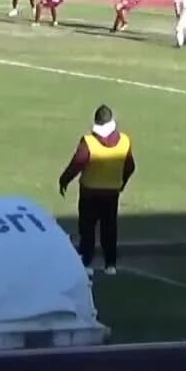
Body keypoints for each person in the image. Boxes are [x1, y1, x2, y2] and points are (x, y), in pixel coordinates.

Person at [59, 105, 136, 277]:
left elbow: (77, 164)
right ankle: (110, 264)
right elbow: (130, 166)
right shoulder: (124, 141)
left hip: (90, 192)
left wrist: (64, 180)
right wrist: (121, 182)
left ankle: (86, 261)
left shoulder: (89, 142)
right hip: (112, 192)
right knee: (109, 227)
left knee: (87, 228)